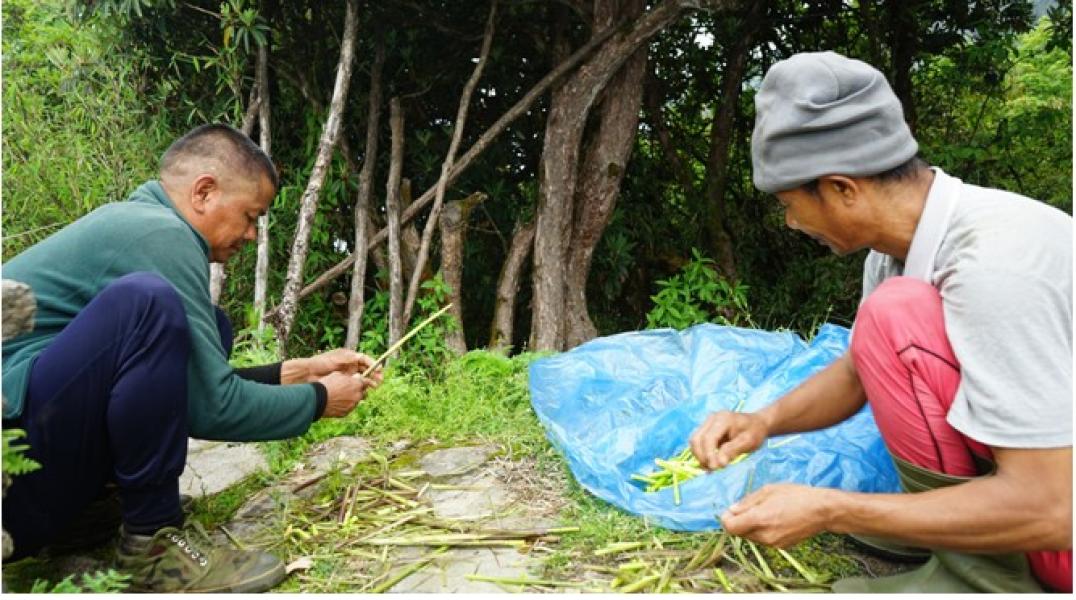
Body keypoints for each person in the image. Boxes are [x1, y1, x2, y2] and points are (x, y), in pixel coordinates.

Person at [688, 51, 1072, 592]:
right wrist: (763, 422)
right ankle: (957, 533)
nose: (791, 223)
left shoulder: (994, 267)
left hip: (1059, 535)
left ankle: (983, 577)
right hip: (1046, 501)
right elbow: (857, 372)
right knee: (889, 319)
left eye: (790, 204)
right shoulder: (894, 251)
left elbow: (1054, 510)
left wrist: (832, 509)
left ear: (843, 188)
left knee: (893, 312)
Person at [1, 124, 383, 593]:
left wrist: (299, 372)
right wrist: (320, 399)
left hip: (30, 478)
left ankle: (83, 519)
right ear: (204, 191)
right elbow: (210, 406)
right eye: (250, 216)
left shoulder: (136, 224)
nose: (249, 235)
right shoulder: (159, 234)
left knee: (205, 327)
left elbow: (176, 387)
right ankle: (153, 545)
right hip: (11, 479)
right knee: (149, 305)